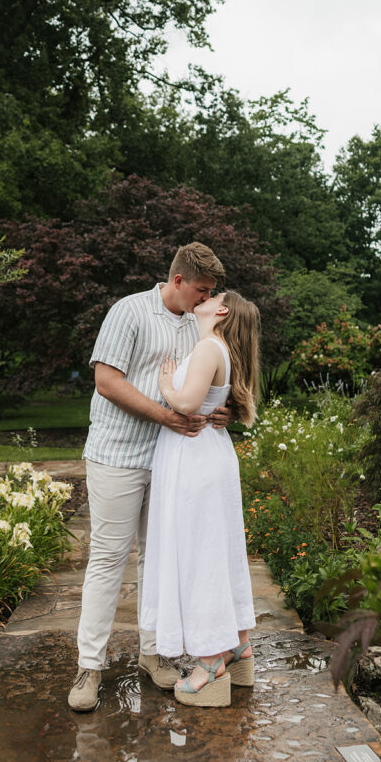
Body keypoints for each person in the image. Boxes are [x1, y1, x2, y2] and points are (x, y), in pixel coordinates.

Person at [68, 242, 231, 712]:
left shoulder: (198, 325)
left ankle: (153, 654)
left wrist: (221, 410)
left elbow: (200, 383)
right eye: (201, 291)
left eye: (210, 293)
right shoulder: (130, 311)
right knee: (108, 559)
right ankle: (89, 666)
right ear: (178, 281)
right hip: (116, 455)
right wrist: (166, 415)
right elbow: (106, 382)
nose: (206, 300)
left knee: (157, 561)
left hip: (169, 460)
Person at [140, 290, 260, 708]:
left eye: (214, 295)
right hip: (209, 453)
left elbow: (189, 404)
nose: (205, 298)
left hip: (194, 459)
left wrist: (165, 386)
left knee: (198, 557)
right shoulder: (219, 347)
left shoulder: (210, 346)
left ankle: (210, 665)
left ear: (221, 311)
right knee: (218, 551)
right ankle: (238, 646)